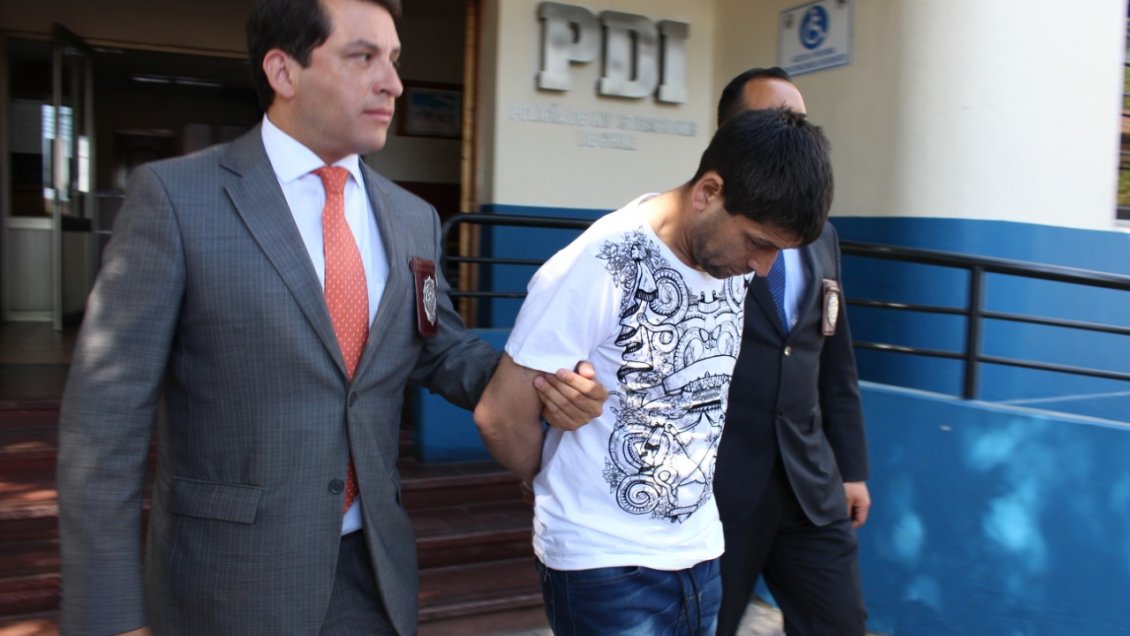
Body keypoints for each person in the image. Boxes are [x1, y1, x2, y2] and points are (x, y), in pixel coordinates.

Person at [55, 1, 606, 634]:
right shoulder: (177, 199)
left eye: (394, 60)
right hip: (226, 583)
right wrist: (109, 616)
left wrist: (543, 384)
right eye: (363, 57)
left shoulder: (412, 218)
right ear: (283, 72)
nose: (393, 83)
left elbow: (440, 347)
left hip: (372, 573)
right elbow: (103, 426)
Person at [474, 108, 834, 636]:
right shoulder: (603, 261)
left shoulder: (729, 265)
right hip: (604, 564)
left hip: (700, 553)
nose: (764, 267)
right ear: (708, 192)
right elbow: (500, 417)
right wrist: (548, 479)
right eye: (759, 242)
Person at [713, 67, 871, 636]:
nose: (792, 136)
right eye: (774, 122)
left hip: (810, 483)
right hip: (718, 491)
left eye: (799, 122)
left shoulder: (822, 235)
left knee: (841, 625)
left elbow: (834, 359)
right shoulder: (700, 229)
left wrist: (851, 469)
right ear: (729, 136)